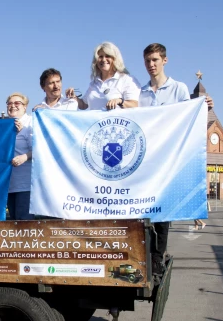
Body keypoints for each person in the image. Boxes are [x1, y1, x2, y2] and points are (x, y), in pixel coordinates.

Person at [136, 43, 214, 276]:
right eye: (148, 61)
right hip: (146, 160)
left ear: (165, 61)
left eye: (155, 60)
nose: (151, 65)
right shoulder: (140, 93)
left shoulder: (178, 89)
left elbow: (190, 115)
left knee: (162, 211)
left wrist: (205, 106)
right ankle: (144, 257)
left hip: (168, 159)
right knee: (142, 211)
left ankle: (157, 258)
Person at [65, 42, 141, 111]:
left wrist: (119, 101)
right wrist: (73, 97)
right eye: (100, 57)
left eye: (107, 56)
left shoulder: (127, 80)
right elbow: (84, 105)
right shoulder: (94, 83)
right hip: (96, 125)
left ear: (115, 59)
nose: (104, 59)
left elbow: (134, 105)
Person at [6, 92, 33, 220]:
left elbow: (40, 150)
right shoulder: (5, 125)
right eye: (10, 103)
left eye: (17, 103)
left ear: (25, 106)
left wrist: (24, 157)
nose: (13, 106)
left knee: (24, 228)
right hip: (8, 185)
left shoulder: (30, 122)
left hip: (25, 185)